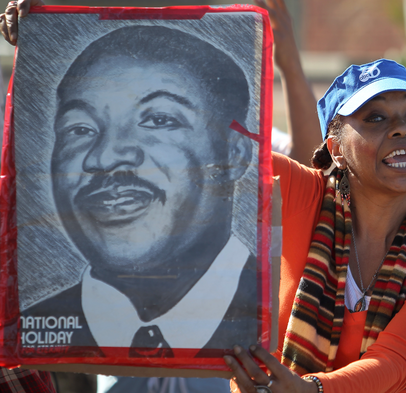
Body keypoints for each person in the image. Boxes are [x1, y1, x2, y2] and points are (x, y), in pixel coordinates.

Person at [0, 0, 406, 393]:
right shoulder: (299, 195)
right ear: (335, 147)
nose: (401, 129)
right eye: (375, 118)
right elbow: (192, 144)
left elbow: (394, 365)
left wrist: (306, 389)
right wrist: (53, 39)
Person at [16, 23, 258, 356]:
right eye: (81, 128)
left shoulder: (293, 319)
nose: (105, 155)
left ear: (234, 154)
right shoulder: (22, 348)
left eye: (159, 120)